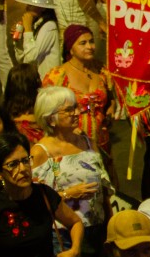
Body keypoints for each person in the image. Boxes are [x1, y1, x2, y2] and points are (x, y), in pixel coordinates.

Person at [29, 87, 112, 257]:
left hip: (98, 231)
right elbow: (34, 199)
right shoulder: (40, 153)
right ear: (51, 118)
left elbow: (104, 189)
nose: (76, 113)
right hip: (64, 235)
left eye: (76, 107)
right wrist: (67, 193)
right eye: (68, 110)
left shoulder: (88, 142)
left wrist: (110, 226)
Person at [39, 24, 113, 159]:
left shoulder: (101, 70)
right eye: (83, 43)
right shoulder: (57, 76)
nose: (90, 47)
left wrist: (111, 107)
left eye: (91, 41)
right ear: (71, 49)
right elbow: (45, 112)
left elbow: (111, 97)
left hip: (102, 142)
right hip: (71, 143)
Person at [11, 0, 60, 78]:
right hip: (36, 81)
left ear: (42, 8)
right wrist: (19, 40)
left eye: (31, 5)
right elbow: (22, 60)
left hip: (49, 83)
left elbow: (30, 58)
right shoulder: (36, 24)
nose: (27, 8)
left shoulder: (49, 26)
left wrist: (28, 30)